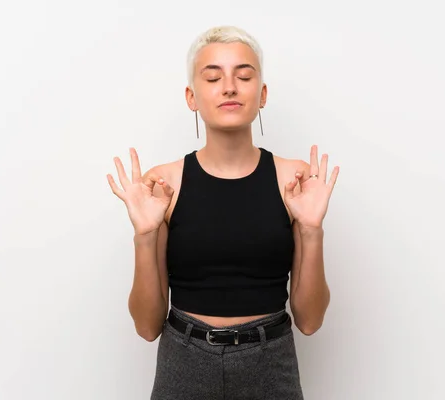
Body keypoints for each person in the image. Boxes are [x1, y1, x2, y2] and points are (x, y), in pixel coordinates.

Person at [107, 25, 339, 400]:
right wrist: (144, 235)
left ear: (261, 94)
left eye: (244, 76)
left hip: (270, 363)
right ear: (191, 97)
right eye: (213, 77)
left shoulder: (294, 180)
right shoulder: (163, 184)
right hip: (184, 362)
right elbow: (147, 327)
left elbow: (310, 321)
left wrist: (312, 228)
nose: (229, 87)